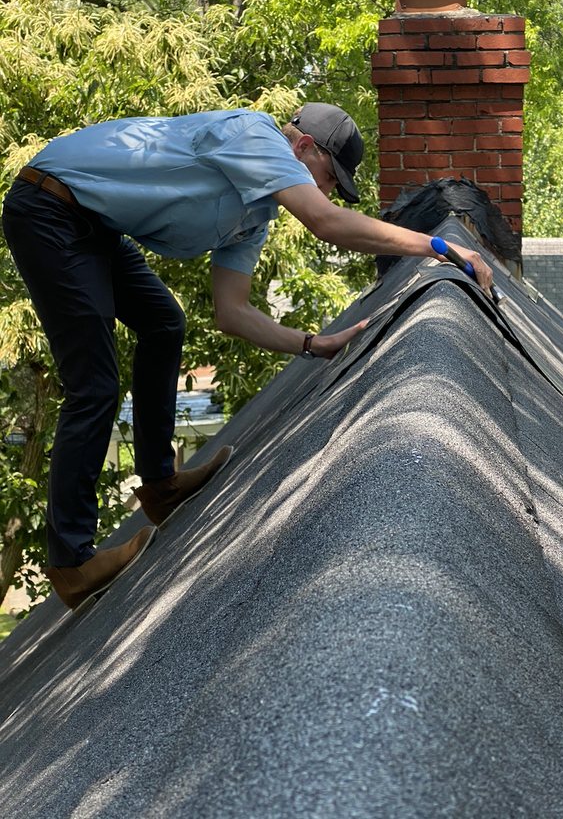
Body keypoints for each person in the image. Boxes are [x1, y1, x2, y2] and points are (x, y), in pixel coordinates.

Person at [1, 103, 491, 612]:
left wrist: (309, 343)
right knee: (95, 384)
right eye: (328, 177)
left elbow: (231, 312)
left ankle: (160, 485)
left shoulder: (253, 214)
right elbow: (324, 222)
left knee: (164, 323)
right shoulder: (251, 134)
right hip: (49, 205)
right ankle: (71, 563)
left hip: (94, 226)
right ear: (302, 146)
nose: (324, 192)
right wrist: (435, 245)